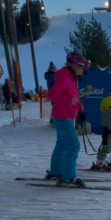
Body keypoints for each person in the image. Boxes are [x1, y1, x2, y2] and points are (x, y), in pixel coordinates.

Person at [45, 52, 89, 186]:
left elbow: (74, 95)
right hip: (62, 116)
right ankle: (67, 177)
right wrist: (69, 101)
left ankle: (56, 172)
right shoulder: (65, 77)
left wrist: (81, 111)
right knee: (73, 145)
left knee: (62, 144)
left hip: (65, 116)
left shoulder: (72, 76)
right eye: (82, 66)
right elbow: (51, 95)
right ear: (75, 65)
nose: (83, 69)